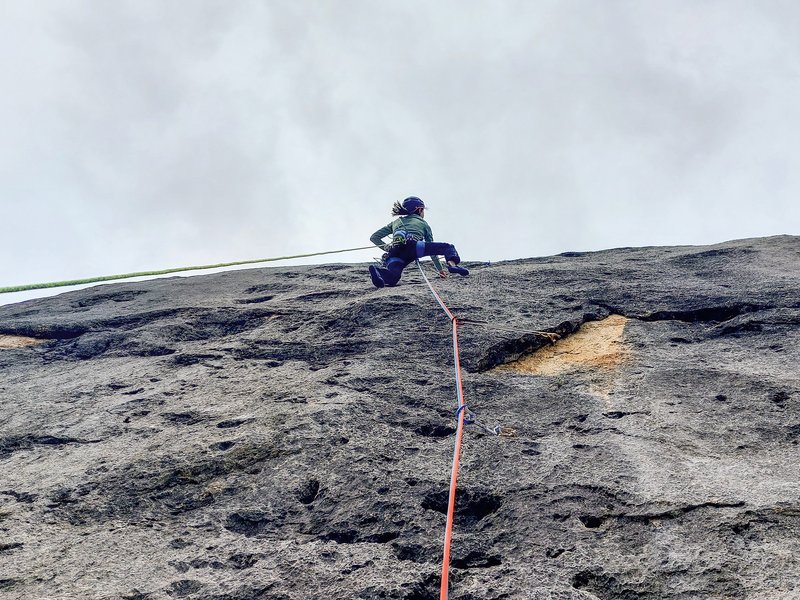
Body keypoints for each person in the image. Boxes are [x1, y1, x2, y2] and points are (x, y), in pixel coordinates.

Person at [368, 196, 468, 288]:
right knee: (448, 247)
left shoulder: (396, 222)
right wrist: (440, 270)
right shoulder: (424, 223)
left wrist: (386, 247)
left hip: (395, 252)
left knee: (393, 277)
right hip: (415, 248)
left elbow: (374, 237)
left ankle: (378, 272)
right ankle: (452, 265)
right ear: (419, 209)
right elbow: (433, 253)